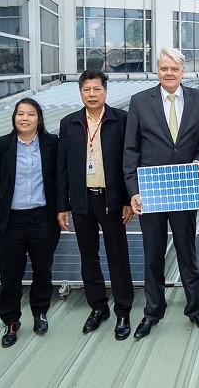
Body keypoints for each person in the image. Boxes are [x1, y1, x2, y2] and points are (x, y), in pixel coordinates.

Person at [123, 47, 199, 339]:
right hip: (151, 190)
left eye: (174, 69)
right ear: (157, 70)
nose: (169, 73)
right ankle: (153, 312)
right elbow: (131, 150)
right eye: (164, 68)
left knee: (187, 253)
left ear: (183, 71)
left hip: (184, 187)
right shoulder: (140, 101)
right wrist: (133, 191)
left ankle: (195, 309)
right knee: (153, 255)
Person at [57, 69, 135, 340]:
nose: (91, 94)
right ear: (80, 92)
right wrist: (62, 205)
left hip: (111, 200)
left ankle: (123, 311)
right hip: (81, 200)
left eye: (96, 89)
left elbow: (130, 163)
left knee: (118, 256)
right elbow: (61, 168)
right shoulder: (69, 123)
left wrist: (127, 199)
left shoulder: (122, 120)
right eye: (86, 90)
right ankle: (98, 307)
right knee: (88, 256)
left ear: (105, 91)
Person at [0, 98, 60, 348]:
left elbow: (57, 178)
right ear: (14, 118)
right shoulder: (1, 145)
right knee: (10, 274)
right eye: (20, 114)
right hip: (11, 220)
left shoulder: (52, 144)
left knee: (43, 270)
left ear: (39, 119)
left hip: (42, 217)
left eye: (31, 114)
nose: (25, 118)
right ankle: (11, 321)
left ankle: (40, 312)